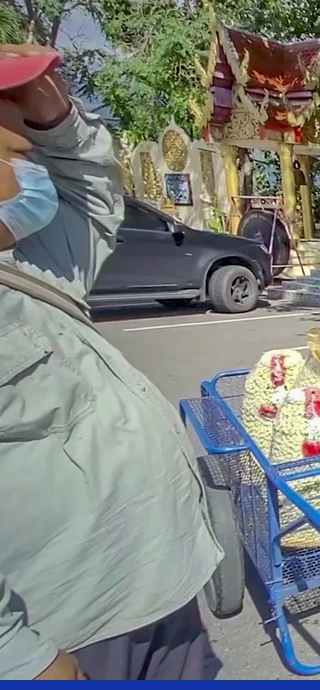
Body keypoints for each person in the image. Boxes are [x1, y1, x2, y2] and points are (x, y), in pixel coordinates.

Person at [0, 45, 222, 680]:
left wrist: (55, 117)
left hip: (153, 586)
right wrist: (22, 658)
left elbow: (97, 196)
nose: (36, 168)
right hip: (64, 634)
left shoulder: (28, 267)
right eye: (19, 157)